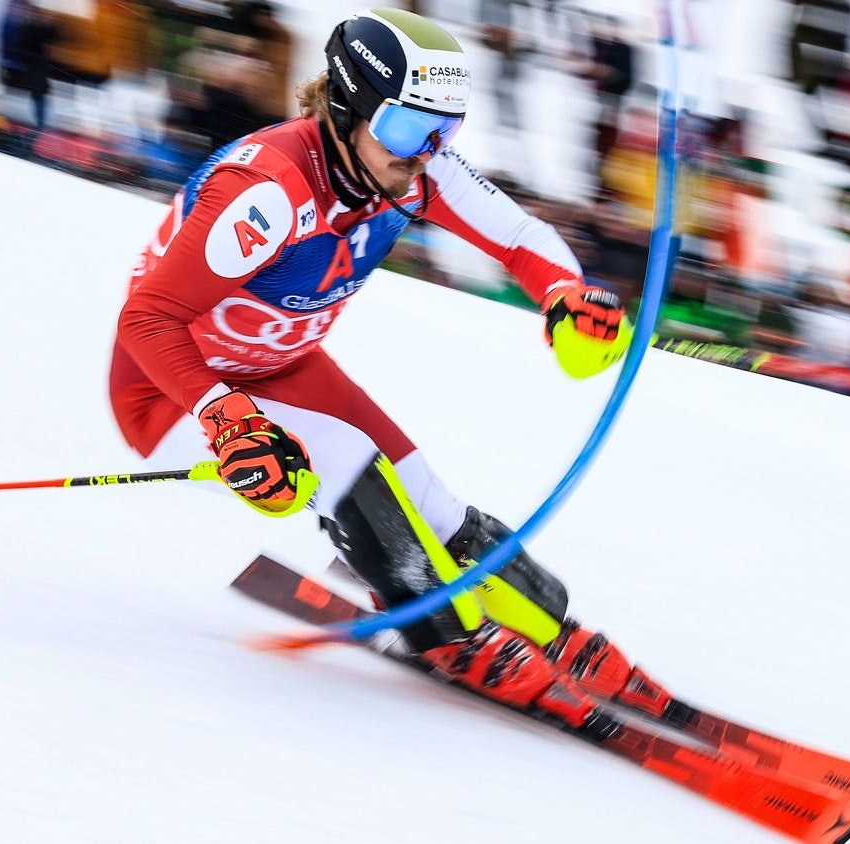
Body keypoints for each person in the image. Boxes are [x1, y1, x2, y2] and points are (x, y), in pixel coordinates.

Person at [108, 9, 656, 728]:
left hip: (282, 367)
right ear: (347, 107)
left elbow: (519, 235)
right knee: (347, 458)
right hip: (172, 391)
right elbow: (147, 320)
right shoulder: (270, 190)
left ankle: (547, 625)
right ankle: (446, 635)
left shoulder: (408, 170)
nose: (426, 151)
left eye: (444, 131)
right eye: (407, 128)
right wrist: (226, 417)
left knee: (424, 491)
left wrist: (564, 293)